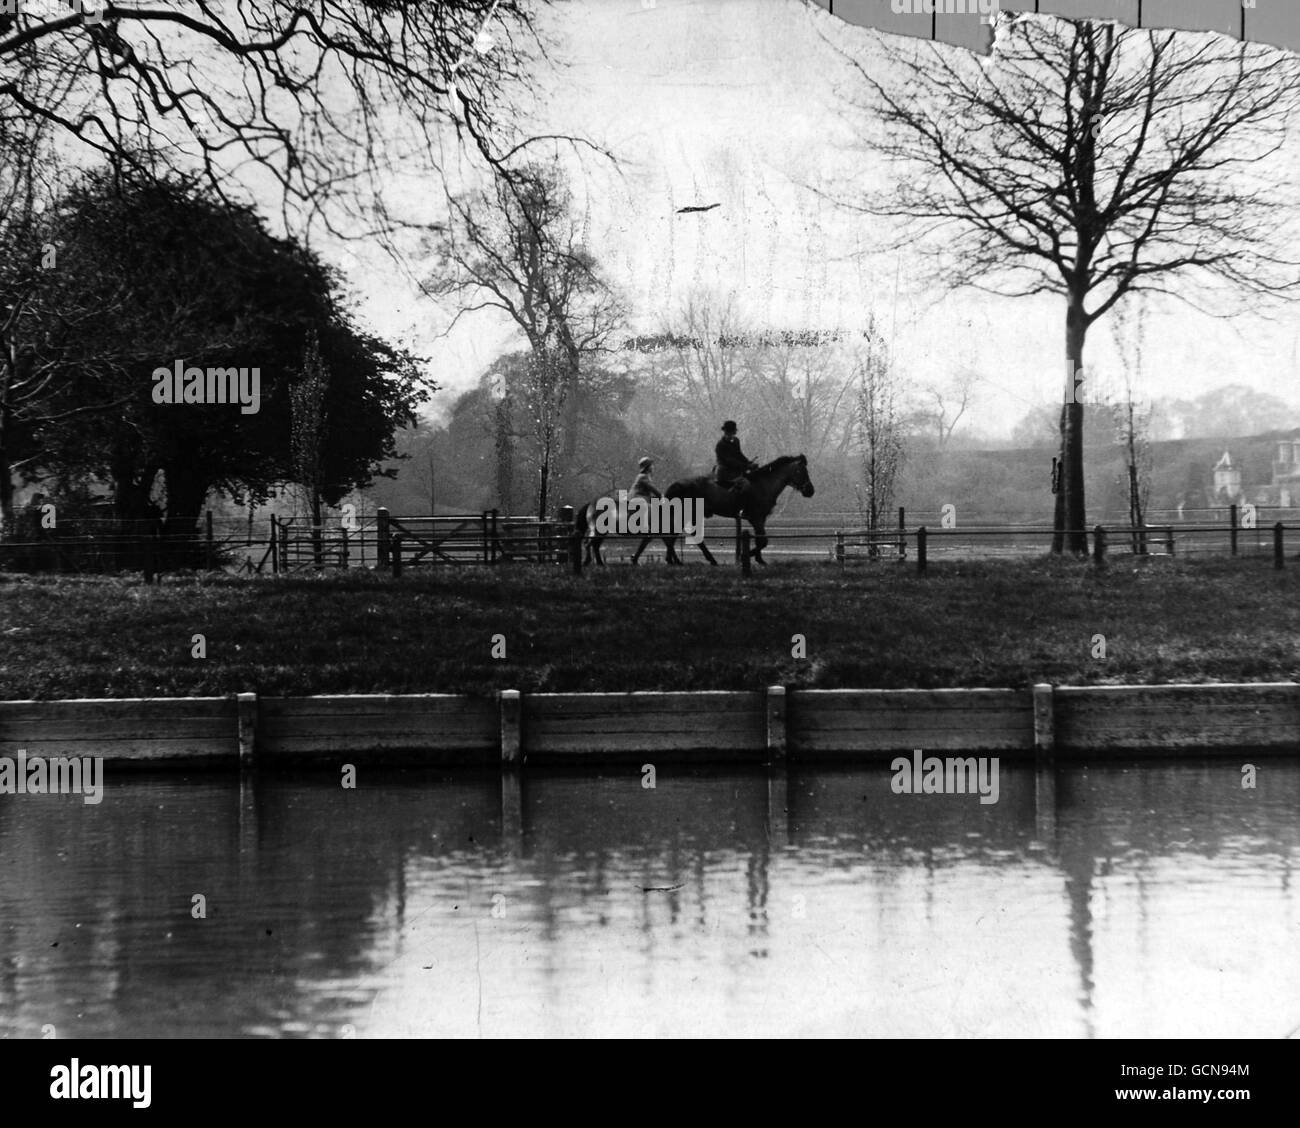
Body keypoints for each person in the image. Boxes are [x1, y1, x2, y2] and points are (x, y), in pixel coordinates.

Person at [714, 420, 758, 494]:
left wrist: (748, 462)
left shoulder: (736, 441)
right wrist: (747, 466)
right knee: (745, 484)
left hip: (735, 469)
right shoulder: (720, 445)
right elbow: (730, 461)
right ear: (725, 432)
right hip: (725, 472)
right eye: (727, 432)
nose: (730, 434)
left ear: (734, 432)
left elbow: (739, 454)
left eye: (731, 432)